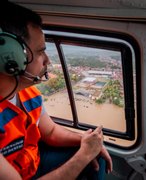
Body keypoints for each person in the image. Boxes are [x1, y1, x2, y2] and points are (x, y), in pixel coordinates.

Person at [0, 1, 112, 180]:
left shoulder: (29, 94)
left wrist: (86, 140)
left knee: (97, 156)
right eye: (40, 52)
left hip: (32, 163)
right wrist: (83, 155)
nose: (47, 61)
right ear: (10, 57)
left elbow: (50, 132)